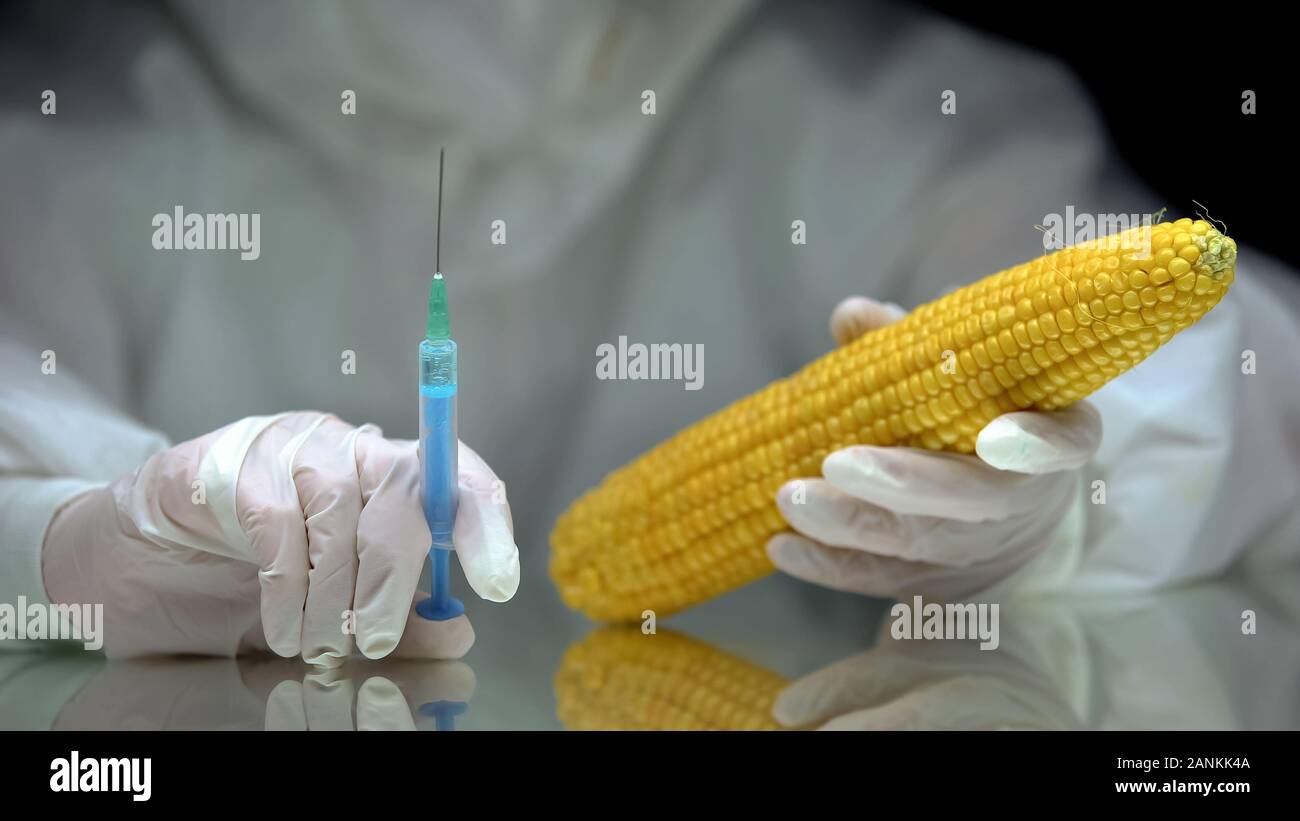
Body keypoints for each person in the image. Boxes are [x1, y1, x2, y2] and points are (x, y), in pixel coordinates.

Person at [3, 0, 1299, 666]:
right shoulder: (81, 118)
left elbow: (1247, 369)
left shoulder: (864, 102)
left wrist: (1083, 488)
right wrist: (72, 536)